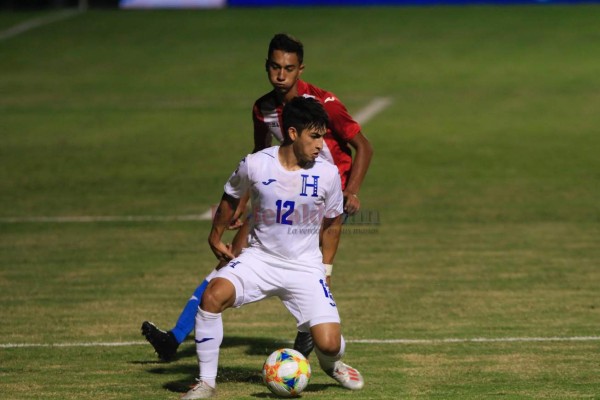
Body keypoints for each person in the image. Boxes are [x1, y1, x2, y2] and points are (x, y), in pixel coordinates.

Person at [141, 32, 373, 361]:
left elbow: (363, 146)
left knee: (314, 269)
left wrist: (352, 190)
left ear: (301, 69)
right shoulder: (262, 108)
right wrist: (245, 203)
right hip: (280, 193)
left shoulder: (324, 104)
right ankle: (176, 337)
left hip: (320, 197)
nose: (281, 75)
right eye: (275, 67)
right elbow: (260, 155)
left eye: (289, 68)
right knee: (231, 257)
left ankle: (310, 335)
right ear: (266, 67)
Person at [182, 96, 364, 399]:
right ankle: (206, 382)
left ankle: (332, 365)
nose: (321, 145)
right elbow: (230, 197)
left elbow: (333, 224)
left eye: (323, 136)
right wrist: (214, 236)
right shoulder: (255, 164)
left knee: (329, 343)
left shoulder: (327, 174)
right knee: (212, 296)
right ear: (293, 133)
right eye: (315, 136)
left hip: (305, 267)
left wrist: (326, 269)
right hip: (260, 259)